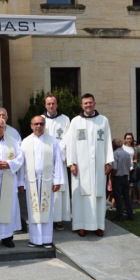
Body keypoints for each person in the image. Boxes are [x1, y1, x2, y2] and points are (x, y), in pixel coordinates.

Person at [67, 93, 113, 237]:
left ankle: (98, 225)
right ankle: (81, 225)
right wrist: (72, 163)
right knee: (81, 196)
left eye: (90, 102)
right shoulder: (76, 121)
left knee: (98, 196)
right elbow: (71, 143)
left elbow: (107, 141)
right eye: (85, 103)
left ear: (94, 103)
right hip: (81, 166)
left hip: (98, 166)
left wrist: (108, 161)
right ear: (82, 105)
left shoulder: (103, 120)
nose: (88, 105)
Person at [19, 116, 64, 249]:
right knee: (33, 210)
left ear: (44, 125)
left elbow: (58, 162)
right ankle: (34, 239)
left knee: (46, 210)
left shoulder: (52, 141)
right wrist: (21, 181)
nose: (38, 126)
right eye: (35, 124)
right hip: (31, 180)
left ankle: (46, 239)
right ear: (31, 126)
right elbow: (22, 164)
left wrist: (58, 180)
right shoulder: (25, 142)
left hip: (47, 180)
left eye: (41, 123)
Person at [0, 117, 24, 248]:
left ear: (5, 128)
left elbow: (20, 158)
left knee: (8, 207)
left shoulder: (12, 141)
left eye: (1, 126)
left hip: (7, 177)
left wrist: (9, 164)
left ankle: (7, 237)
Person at [41, 93, 71, 230]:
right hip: (44, 161)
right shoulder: (40, 119)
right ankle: (46, 218)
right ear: (45, 105)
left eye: (53, 103)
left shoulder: (65, 120)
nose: (51, 106)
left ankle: (58, 220)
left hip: (59, 160)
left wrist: (58, 153)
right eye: (48, 103)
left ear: (57, 104)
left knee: (59, 191)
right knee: (45, 189)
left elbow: (67, 139)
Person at [111, 138, 134, 221]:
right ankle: (130, 214)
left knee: (118, 197)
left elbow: (114, 168)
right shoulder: (127, 154)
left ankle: (120, 215)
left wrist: (111, 176)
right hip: (126, 177)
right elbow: (129, 166)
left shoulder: (115, 154)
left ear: (113, 145)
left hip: (118, 177)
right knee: (127, 197)